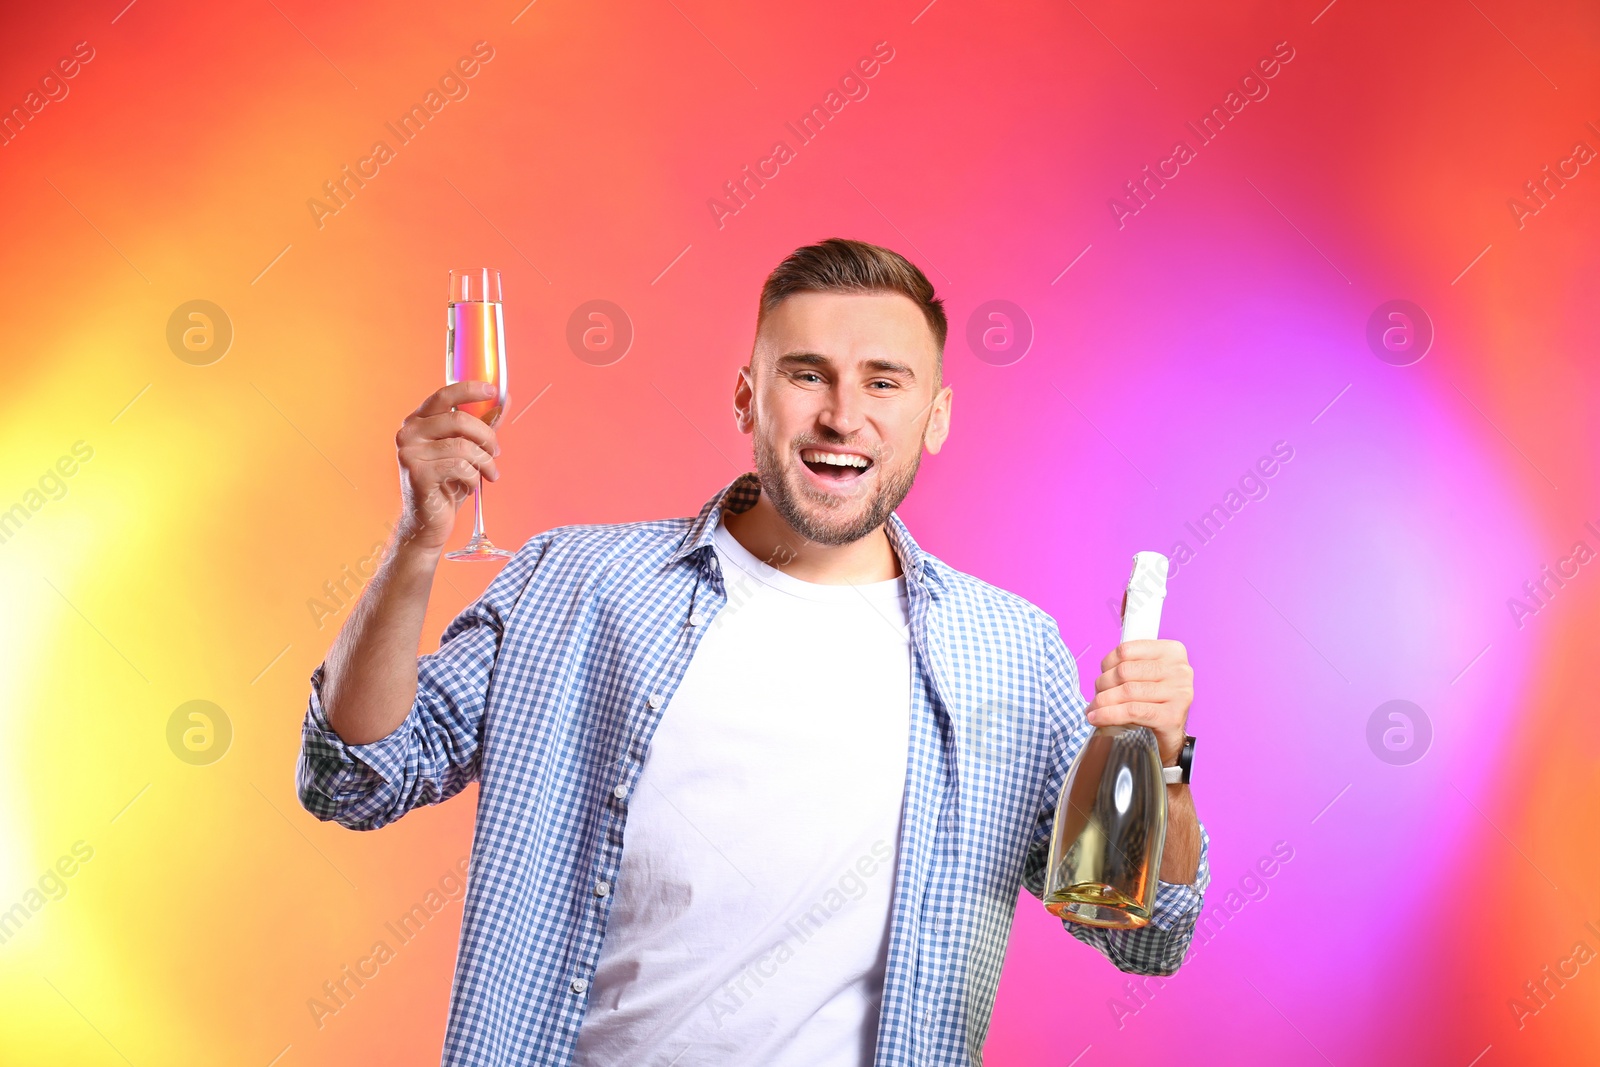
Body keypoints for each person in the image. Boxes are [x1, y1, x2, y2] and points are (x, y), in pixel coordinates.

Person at [296, 238, 1210, 1066]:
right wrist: (419, 538)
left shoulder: (1009, 651)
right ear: (747, 396)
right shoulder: (576, 583)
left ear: (934, 416)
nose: (843, 416)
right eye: (807, 375)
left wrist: (1160, 764)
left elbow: (1147, 934)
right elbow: (354, 777)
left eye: (885, 382)